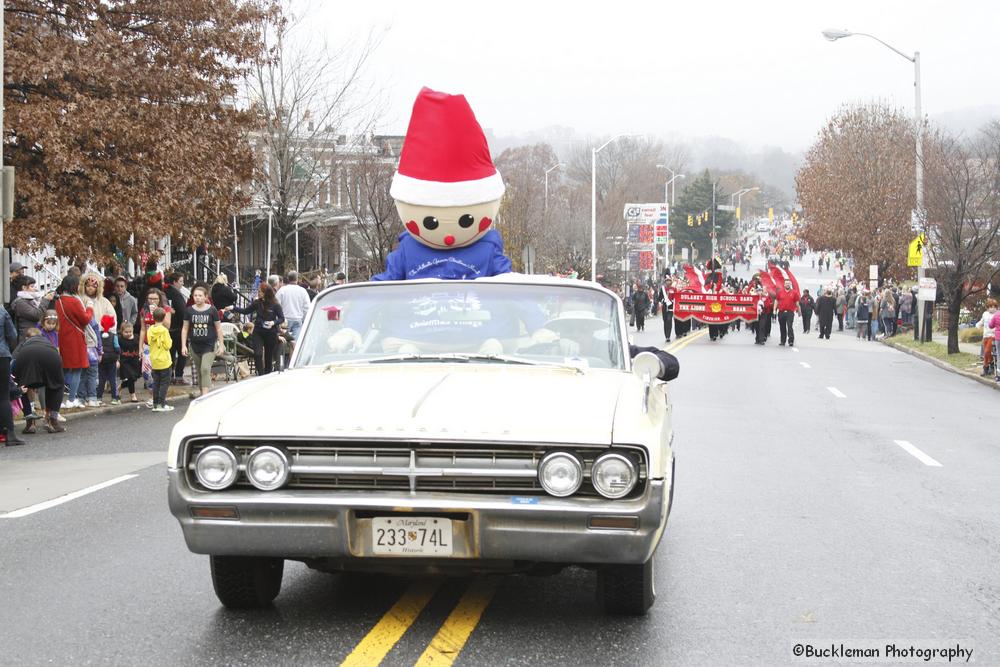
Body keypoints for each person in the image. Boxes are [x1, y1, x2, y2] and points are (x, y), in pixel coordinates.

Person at [13, 327, 66, 433]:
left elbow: (14, 359)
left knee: (21, 387)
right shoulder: (47, 341)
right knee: (56, 386)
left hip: (26, 356)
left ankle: (30, 422)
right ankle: (52, 420)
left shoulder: (23, 344)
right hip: (51, 356)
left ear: (27, 338)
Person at [54, 275, 94, 409]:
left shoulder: (58, 301)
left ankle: (59, 399)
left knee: (63, 370)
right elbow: (85, 319)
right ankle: (71, 399)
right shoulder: (74, 301)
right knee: (77, 369)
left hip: (62, 337)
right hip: (75, 338)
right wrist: (89, 307)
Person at [226, 284, 284, 375]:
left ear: (266, 293)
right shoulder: (257, 303)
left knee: (268, 357)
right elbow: (246, 311)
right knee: (257, 353)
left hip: (271, 332)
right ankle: (261, 374)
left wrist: (273, 322)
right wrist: (233, 308)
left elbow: (281, 318)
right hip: (258, 331)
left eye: (260, 291)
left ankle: (267, 374)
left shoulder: (275, 304)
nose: (258, 293)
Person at [181, 284, 224, 397]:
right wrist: (183, 345)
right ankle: (202, 394)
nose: (197, 298)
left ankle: (205, 396)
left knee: (205, 369)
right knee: (200, 371)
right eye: (195, 295)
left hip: (209, 344)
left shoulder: (212, 310)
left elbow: (218, 328)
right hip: (194, 344)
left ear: (206, 297)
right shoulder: (189, 310)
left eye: (200, 295)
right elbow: (185, 328)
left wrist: (221, 345)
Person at [0, 304, 23, 445]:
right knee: (3, 396)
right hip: (1, 355)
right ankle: (9, 433)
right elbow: (12, 335)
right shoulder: (1, 311)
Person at [163, 274, 188, 385]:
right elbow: (183, 311)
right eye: (181, 281)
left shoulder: (163, 293)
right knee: (182, 352)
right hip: (178, 328)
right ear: (174, 282)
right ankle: (178, 376)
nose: (182, 284)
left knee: (170, 353)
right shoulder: (177, 295)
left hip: (167, 328)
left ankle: (170, 375)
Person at [147, 308, 174, 411]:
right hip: (164, 360)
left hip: (154, 360)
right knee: (164, 384)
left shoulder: (150, 330)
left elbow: (149, 342)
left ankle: (155, 403)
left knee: (156, 383)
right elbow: (168, 345)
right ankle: (161, 404)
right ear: (164, 318)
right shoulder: (164, 330)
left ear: (153, 317)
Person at [276, 271, 311, 341]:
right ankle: (293, 351)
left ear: (288, 279)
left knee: (283, 342)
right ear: (297, 279)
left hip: (284, 320)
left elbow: (276, 305)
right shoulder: (303, 291)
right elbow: (306, 307)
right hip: (297, 319)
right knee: (295, 342)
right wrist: (304, 319)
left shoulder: (282, 290)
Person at [10, 276, 45, 343]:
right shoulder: (20, 302)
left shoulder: (34, 299)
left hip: (36, 334)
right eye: (32, 286)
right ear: (24, 288)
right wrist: (45, 300)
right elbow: (37, 315)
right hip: (27, 336)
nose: (35, 289)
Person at [96, 315, 120, 405]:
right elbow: (117, 348)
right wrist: (118, 356)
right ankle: (114, 398)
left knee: (101, 380)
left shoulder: (98, 335)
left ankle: (99, 398)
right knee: (112, 379)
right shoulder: (114, 336)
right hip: (112, 360)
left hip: (101, 360)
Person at [118, 321, 142, 403]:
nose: (128, 334)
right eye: (126, 332)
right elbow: (117, 349)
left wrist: (141, 355)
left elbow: (140, 346)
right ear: (122, 331)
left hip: (135, 361)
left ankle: (120, 387)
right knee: (131, 377)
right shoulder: (120, 339)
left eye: (130, 332)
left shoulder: (136, 337)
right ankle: (133, 395)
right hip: (125, 362)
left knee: (134, 378)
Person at [775, 280, 800, 347]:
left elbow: (797, 302)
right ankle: (783, 341)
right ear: (784, 284)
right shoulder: (780, 292)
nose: (787, 284)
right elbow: (776, 301)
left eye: (788, 283)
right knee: (782, 327)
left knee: (789, 325)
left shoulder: (794, 293)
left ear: (790, 284)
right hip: (781, 312)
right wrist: (774, 310)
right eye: (786, 283)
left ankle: (791, 340)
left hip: (790, 312)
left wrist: (799, 311)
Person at [979, 300, 997, 377]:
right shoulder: (985, 314)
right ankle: (988, 367)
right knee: (986, 354)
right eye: (990, 307)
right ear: (987, 307)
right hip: (985, 335)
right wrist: (978, 325)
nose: (992, 309)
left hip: (993, 336)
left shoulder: (997, 314)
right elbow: (982, 321)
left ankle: (987, 366)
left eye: (994, 307)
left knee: (987, 351)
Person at [654, 278, 675, 342]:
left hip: (671, 307)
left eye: (669, 281)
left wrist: (673, 301)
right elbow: (659, 298)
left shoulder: (674, 289)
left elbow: (676, 297)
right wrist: (662, 300)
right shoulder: (663, 289)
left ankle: (668, 336)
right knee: (665, 321)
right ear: (665, 282)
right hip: (665, 307)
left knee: (669, 320)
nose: (668, 282)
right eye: (667, 281)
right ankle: (666, 335)